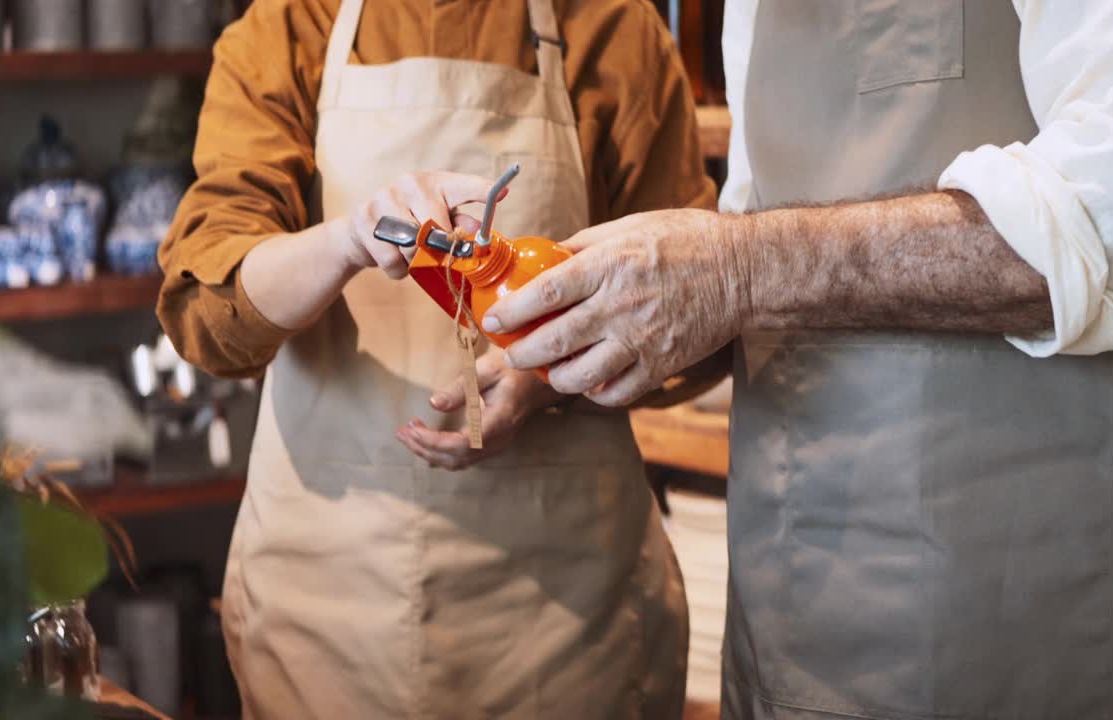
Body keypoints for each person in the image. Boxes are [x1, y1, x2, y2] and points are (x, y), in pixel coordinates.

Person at [484, 2, 1113, 719]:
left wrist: (738, 269)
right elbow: (751, 272)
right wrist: (584, 339)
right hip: (781, 610)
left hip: (998, 623)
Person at [157, 0, 716, 717]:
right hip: (329, 612)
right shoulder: (291, 24)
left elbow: (695, 323)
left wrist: (543, 375)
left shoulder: (610, 23)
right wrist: (349, 241)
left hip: (570, 621)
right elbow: (208, 313)